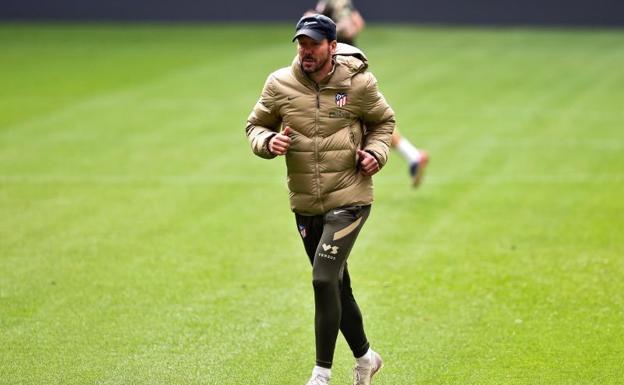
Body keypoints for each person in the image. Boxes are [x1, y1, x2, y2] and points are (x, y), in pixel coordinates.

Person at [245, 14, 391, 385]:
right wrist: (267, 142)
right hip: (306, 203)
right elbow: (255, 125)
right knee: (338, 286)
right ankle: (366, 358)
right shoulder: (279, 83)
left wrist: (376, 153)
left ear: (332, 46)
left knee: (323, 280)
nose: (306, 51)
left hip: (351, 198)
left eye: (313, 44)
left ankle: (320, 374)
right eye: (301, 43)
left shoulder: (357, 83)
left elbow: (383, 123)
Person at [306, 0, 429, 187]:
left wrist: (324, 31)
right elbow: (358, 23)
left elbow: (333, 25)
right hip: (348, 64)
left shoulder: (332, 3)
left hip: (340, 68)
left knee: (342, 116)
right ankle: (412, 155)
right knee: (364, 117)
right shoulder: (339, 3)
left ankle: (339, 175)